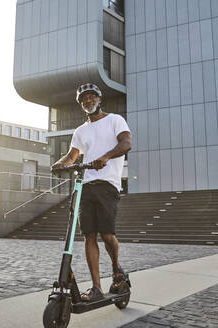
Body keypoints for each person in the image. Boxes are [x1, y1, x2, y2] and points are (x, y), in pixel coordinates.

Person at [52, 83, 132, 302]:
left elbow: (126, 143)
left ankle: (117, 268)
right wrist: (58, 164)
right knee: (89, 235)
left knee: (107, 234)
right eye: (83, 99)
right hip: (86, 185)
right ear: (81, 104)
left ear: (99, 99)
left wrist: (105, 157)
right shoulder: (81, 131)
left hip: (108, 184)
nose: (88, 101)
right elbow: (71, 156)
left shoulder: (115, 120)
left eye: (91, 97)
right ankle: (96, 287)